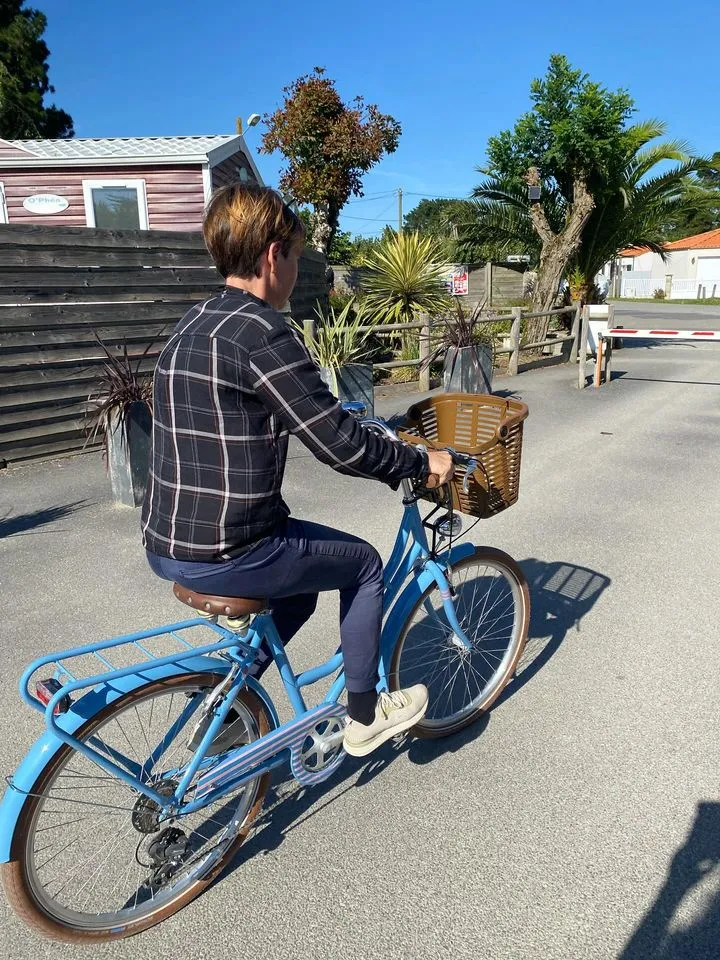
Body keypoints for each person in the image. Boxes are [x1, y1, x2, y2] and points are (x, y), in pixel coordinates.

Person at [141, 183, 454, 757]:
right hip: (231, 551)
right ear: (272, 255)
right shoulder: (262, 331)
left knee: (302, 590)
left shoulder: (193, 323)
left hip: (166, 541)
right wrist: (416, 461)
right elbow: (338, 445)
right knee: (361, 565)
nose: (297, 270)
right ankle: (364, 716)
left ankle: (228, 706)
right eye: (297, 256)